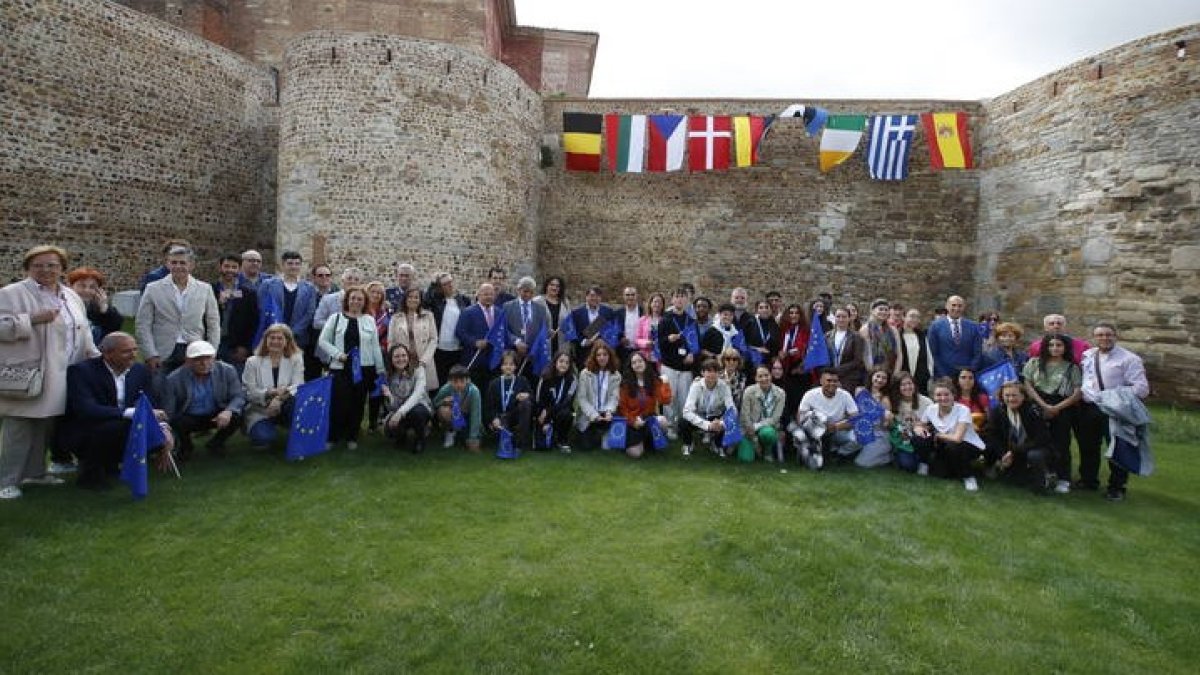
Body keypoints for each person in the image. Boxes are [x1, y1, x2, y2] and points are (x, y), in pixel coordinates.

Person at [0, 246, 99, 499]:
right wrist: (31, 319)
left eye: (52, 265)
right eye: (38, 265)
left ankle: (35, 472)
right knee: (20, 426)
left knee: (45, 425)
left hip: (64, 371)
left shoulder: (70, 295)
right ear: (27, 268)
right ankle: (6, 481)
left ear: (62, 268)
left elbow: (83, 329)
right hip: (28, 372)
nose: (46, 270)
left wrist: (93, 353)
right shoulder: (11, 294)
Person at [64, 332, 173, 490]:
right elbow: (87, 409)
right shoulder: (82, 372)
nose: (133, 355)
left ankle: (114, 466)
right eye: (126, 351)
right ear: (107, 354)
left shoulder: (140, 371)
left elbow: (149, 402)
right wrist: (131, 413)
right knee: (115, 428)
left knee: (153, 432)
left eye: (135, 349)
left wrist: (163, 427)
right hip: (86, 428)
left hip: (123, 425)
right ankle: (91, 474)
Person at [1079, 322, 1150, 501]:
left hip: (1114, 409)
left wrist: (1110, 396)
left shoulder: (1129, 359)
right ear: (1094, 337)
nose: (1104, 338)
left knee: (1117, 448)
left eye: (1108, 334)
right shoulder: (1088, 355)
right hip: (1089, 408)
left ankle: (1117, 487)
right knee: (1088, 446)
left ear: (1115, 336)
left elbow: (1141, 389)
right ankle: (1088, 480)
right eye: (1100, 335)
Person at [135, 245, 221, 392]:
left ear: (191, 265)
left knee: (190, 392)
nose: (178, 266)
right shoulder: (153, 288)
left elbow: (213, 323)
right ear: (167, 264)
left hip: (193, 349)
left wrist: (211, 351)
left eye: (182, 263)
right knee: (159, 391)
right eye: (174, 262)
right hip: (162, 351)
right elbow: (143, 324)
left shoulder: (205, 289)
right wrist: (150, 353)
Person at [317, 286, 385, 450]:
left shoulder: (369, 320)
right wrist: (338, 354)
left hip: (364, 368)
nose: (356, 301)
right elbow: (323, 341)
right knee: (338, 403)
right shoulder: (335, 318)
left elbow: (375, 346)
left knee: (358, 403)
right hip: (340, 367)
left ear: (364, 302)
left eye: (360, 299)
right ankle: (333, 437)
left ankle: (352, 437)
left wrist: (380, 370)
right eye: (353, 298)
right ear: (347, 300)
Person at [162, 340, 245, 460]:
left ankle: (216, 443)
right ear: (188, 361)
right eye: (198, 359)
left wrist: (228, 411)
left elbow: (238, 396)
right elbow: (169, 409)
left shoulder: (227, 370)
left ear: (214, 358)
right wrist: (166, 428)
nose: (204, 363)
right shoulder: (173, 379)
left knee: (237, 415)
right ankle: (185, 446)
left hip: (217, 413)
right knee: (177, 421)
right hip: (189, 416)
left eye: (208, 358)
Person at [1022, 334, 1082, 494]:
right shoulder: (1034, 363)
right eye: (1051, 345)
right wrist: (1044, 406)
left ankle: (1063, 478)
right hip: (1037, 405)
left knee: (1061, 443)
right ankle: (1041, 473)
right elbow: (1028, 385)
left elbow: (1077, 393)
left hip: (1062, 407)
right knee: (1037, 441)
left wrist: (1056, 408)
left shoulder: (1072, 368)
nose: (1054, 348)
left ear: (1065, 348)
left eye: (1059, 345)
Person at [912, 377, 987, 491]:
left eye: (946, 394)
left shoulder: (963, 410)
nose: (943, 398)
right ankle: (924, 463)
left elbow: (958, 438)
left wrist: (937, 435)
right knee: (920, 439)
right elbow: (920, 424)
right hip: (946, 444)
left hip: (968, 444)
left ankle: (968, 477)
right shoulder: (931, 409)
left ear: (953, 395)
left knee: (954, 446)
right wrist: (918, 429)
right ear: (933, 397)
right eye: (939, 395)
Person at [983, 382, 1057, 493]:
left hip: (1036, 448)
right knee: (1015, 481)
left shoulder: (1033, 411)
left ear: (1023, 396)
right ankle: (1001, 468)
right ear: (1001, 396)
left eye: (1014, 395)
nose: (1011, 399)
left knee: (1034, 456)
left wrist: (1014, 451)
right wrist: (1003, 454)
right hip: (1011, 451)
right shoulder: (997, 411)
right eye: (1007, 395)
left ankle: (1044, 480)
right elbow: (991, 435)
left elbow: (1042, 438)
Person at [241, 324, 304, 449]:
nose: (275, 341)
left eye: (280, 338)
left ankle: (297, 435)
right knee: (264, 438)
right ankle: (257, 429)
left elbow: (298, 385)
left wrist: (278, 399)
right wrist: (270, 393)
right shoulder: (252, 362)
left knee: (296, 401)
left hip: (286, 404)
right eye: (272, 338)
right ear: (265, 340)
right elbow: (249, 392)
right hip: (260, 409)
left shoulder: (295, 359)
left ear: (287, 341)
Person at [257, 251, 319, 359]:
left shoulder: (309, 288)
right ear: (282, 265)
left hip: (297, 338)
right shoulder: (268, 285)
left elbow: (310, 313)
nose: (293, 267)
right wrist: (277, 330)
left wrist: (291, 332)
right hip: (272, 336)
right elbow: (262, 307)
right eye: (290, 263)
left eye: (297, 264)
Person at [795, 369, 861, 468]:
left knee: (860, 437)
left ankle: (839, 454)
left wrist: (835, 427)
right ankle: (813, 454)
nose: (832, 384)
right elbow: (800, 416)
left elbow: (855, 418)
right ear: (821, 381)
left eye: (835, 381)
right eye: (829, 381)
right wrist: (818, 427)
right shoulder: (810, 394)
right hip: (816, 431)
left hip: (837, 429)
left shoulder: (845, 395)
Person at [656, 288, 697, 439]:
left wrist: (692, 354)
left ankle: (682, 426)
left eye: (682, 297)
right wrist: (668, 339)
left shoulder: (691, 321)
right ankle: (670, 427)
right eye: (677, 296)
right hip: (669, 365)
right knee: (669, 398)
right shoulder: (665, 320)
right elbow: (659, 343)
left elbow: (695, 342)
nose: (679, 299)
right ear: (672, 300)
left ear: (687, 300)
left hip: (685, 367)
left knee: (684, 399)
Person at [617, 352, 672, 459]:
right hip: (632, 421)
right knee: (635, 454)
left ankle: (649, 442)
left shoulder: (654, 380)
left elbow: (665, 400)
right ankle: (636, 443)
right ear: (631, 366)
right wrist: (633, 421)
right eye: (634, 363)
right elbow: (622, 409)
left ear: (645, 363)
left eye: (640, 361)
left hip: (648, 418)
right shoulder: (625, 384)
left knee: (663, 421)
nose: (638, 364)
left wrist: (665, 384)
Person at [212, 253, 259, 374]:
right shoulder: (210, 289)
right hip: (213, 343)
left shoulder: (249, 293)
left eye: (234, 267)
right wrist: (219, 303)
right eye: (227, 266)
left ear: (239, 269)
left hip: (236, 347)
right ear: (220, 267)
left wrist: (246, 347)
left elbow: (253, 322)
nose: (230, 270)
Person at [380, 344, 432, 453]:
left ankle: (420, 439)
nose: (401, 359)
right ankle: (401, 436)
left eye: (404, 355)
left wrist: (400, 413)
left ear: (408, 356)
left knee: (416, 413)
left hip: (419, 407)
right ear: (391, 359)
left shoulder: (419, 370)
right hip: (398, 409)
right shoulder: (387, 375)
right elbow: (392, 407)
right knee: (389, 428)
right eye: (397, 356)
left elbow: (417, 395)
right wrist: (390, 397)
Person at [680, 358, 737, 458]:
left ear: (719, 373)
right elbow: (687, 411)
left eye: (715, 371)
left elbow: (732, 409)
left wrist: (721, 422)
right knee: (683, 421)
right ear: (702, 373)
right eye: (709, 371)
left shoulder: (724, 386)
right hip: (699, 416)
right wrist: (707, 425)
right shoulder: (696, 385)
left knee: (730, 418)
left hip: (716, 418)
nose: (712, 374)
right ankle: (688, 443)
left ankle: (717, 444)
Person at [388, 288, 440, 393]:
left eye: (416, 297)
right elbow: (391, 341)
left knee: (422, 393)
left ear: (420, 300)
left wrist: (424, 360)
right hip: (403, 361)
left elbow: (433, 339)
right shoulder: (396, 317)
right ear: (405, 299)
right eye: (410, 297)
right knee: (404, 392)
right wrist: (395, 361)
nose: (413, 300)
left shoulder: (428, 316)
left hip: (423, 360)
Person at [575, 340, 621, 449]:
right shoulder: (585, 373)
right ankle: (592, 432)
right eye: (598, 355)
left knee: (606, 447)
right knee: (586, 447)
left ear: (609, 356)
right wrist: (594, 415)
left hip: (606, 414)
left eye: (605, 354)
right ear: (594, 357)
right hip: (590, 414)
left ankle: (605, 433)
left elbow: (614, 397)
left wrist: (609, 411)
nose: (602, 358)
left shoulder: (616, 375)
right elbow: (582, 398)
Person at [455, 282, 501, 392]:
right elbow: (460, 332)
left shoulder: (499, 312)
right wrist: (475, 342)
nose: (489, 297)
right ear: (478, 295)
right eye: (485, 294)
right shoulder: (468, 312)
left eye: (491, 294)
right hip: (474, 359)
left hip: (493, 360)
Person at [484, 350, 533, 454]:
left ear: (515, 366)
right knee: (505, 441)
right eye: (505, 364)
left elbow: (532, 397)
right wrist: (494, 418)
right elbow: (489, 406)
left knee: (526, 404)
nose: (508, 367)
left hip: (515, 416)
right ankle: (507, 436)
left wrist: (527, 395)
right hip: (501, 417)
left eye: (511, 364)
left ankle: (520, 442)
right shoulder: (494, 383)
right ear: (501, 366)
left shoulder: (522, 381)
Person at [429, 272, 472, 388]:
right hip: (440, 349)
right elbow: (426, 298)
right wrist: (432, 284)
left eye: (450, 282)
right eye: (445, 284)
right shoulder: (435, 301)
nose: (449, 285)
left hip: (458, 348)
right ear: (439, 287)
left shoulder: (464, 300)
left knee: (456, 381)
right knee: (441, 381)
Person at [927, 295, 982, 380]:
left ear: (964, 307)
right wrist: (943, 374)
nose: (956, 308)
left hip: (967, 376)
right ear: (947, 306)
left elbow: (977, 352)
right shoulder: (935, 326)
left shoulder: (973, 327)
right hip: (943, 376)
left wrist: (970, 371)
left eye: (960, 306)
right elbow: (933, 353)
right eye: (953, 305)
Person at [500, 277, 550, 370]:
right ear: (519, 290)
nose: (528, 295)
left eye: (531, 292)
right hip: (514, 354)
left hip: (533, 354)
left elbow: (543, 330)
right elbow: (503, 329)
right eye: (525, 291)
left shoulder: (541, 309)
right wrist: (516, 341)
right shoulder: (507, 307)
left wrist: (548, 333)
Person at [431, 364, 483, 452]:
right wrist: (443, 402)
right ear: (450, 381)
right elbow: (434, 403)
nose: (459, 385)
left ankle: (464, 434)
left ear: (468, 380)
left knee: (471, 445)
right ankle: (450, 432)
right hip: (454, 415)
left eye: (462, 381)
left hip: (469, 418)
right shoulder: (446, 388)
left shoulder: (474, 391)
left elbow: (476, 415)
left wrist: (473, 437)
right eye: (455, 381)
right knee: (444, 410)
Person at [740, 364, 786, 462]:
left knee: (768, 433)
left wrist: (757, 426)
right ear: (756, 378)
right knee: (745, 458)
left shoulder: (780, 393)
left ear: (771, 375)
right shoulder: (749, 391)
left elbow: (775, 418)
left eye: (766, 375)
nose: (764, 379)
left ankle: (767, 451)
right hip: (749, 428)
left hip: (768, 427)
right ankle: (755, 444)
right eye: (760, 376)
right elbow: (745, 414)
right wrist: (751, 431)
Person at [890, 372, 933, 473]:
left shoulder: (926, 402)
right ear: (897, 387)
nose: (907, 387)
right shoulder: (894, 402)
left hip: (922, 437)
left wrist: (921, 427)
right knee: (908, 465)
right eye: (903, 385)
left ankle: (924, 461)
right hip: (904, 440)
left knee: (922, 436)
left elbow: (933, 425)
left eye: (909, 383)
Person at [67, 267, 123, 345]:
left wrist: (105, 309)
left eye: (92, 287)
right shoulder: (63, 308)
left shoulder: (97, 309)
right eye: (82, 286)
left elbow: (115, 329)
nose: (87, 290)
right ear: (70, 287)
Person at [535, 350, 577, 452]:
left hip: (560, 411)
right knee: (542, 447)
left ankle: (562, 440)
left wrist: (548, 414)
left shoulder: (573, 380)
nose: (564, 365)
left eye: (567, 362)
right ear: (555, 362)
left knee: (567, 414)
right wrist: (544, 420)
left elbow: (566, 402)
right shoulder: (545, 377)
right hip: (543, 413)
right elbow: (539, 400)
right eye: (561, 361)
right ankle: (546, 434)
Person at [776, 303, 811, 422]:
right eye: (791, 313)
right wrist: (780, 354)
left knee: (799, 400)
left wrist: (800, 360)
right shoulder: (783, 329)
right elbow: (778, 346)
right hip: (785, 369)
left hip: (800, 370)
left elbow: (807, 348)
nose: (794, 315)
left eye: (796, 313)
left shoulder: (805, 330)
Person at [855, 368, 895, 468]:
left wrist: (888, 420)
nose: (880, 380)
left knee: (862, 463)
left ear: (887, 381)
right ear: (871, 376)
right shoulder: (859, 391)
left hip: (878, 433)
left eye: (884, 378)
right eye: (878, 376)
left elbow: (887, 426)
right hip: (860, 429)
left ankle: (888, 457)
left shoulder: (885, 399)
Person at [303, 263, 338, 380]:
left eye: (327, 275)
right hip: (311, 342)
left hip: (331, 343)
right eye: (320, 275)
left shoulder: (338, 294)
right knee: (311, 377)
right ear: (313, 277)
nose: (324, 278)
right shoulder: (306, 294)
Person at [567, 286, 615, 369]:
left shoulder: (608, 311)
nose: (595, 298)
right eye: (592, 295)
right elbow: (573, 331)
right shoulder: (576, 313)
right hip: (584, 352)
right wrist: (583, 341)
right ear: (586, 297)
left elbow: (613, 329)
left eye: (597, 296)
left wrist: (604, 340)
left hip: (603, 352)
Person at [826, 307, 867, 391]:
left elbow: (857, 360)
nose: (841, 319)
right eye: (838, 316)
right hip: (830, 376)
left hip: (849, 377)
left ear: (849, 318)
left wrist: (839, 370)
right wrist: (830, 372)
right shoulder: (827, 336)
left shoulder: (857, 337)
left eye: (844, 317)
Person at [860, 299, 901, 375]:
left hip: (890, 370)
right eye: (880, 309)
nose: (883, 312)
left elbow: (899, 354)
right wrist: (873, 373)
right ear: (872, 311)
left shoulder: (893, 330)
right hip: (872, 372)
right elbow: (866, 355)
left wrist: (896, 372)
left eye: (886, 310)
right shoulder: (865, 329)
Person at [897, 308, 931, 396]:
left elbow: (929, 357)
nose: (915, 319)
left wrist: (930, 374)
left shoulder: (921, 336)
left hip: (920, 378)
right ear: (904, 317)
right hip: (902, 377)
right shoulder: (897, 334)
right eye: (912, 316)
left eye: (917, 317)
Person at [536, 275, 571, 355]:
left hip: (561, 342)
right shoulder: (537, 301)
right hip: (544, 342)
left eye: (557, 286)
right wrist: (546, 331)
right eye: (552, 285)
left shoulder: (565, 302)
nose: (554, 288)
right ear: (546, 286)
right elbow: (533, 323)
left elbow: (569, 321)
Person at [744, 300, 780, 369]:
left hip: (769, 362)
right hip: (753, 361)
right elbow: (742, 343)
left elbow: (777, 343)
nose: (764, 310)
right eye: (761, 308)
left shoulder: (774, 325)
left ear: (771, 310)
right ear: (757, 310)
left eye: (766, 307)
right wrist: (756, 349)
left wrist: (775, 355)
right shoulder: (750, 322)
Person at [634, 292, 666, 364]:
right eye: (655, 302)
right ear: (650, 304)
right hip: (645, 357)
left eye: (660, 302)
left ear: (663, 305)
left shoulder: (666, 320)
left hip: (661, 358)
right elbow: (637, 340)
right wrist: (646, 343)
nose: (657, 304)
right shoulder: (642, 320)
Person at [614, 286, 642, 363]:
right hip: (623, 351)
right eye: (627, 295)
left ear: (637, 296)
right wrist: (620, 339)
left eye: (633, 295)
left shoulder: (643, 311)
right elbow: (615, 330)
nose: (630, 297)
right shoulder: (618, 313)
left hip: (640, 350)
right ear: (623, 297)